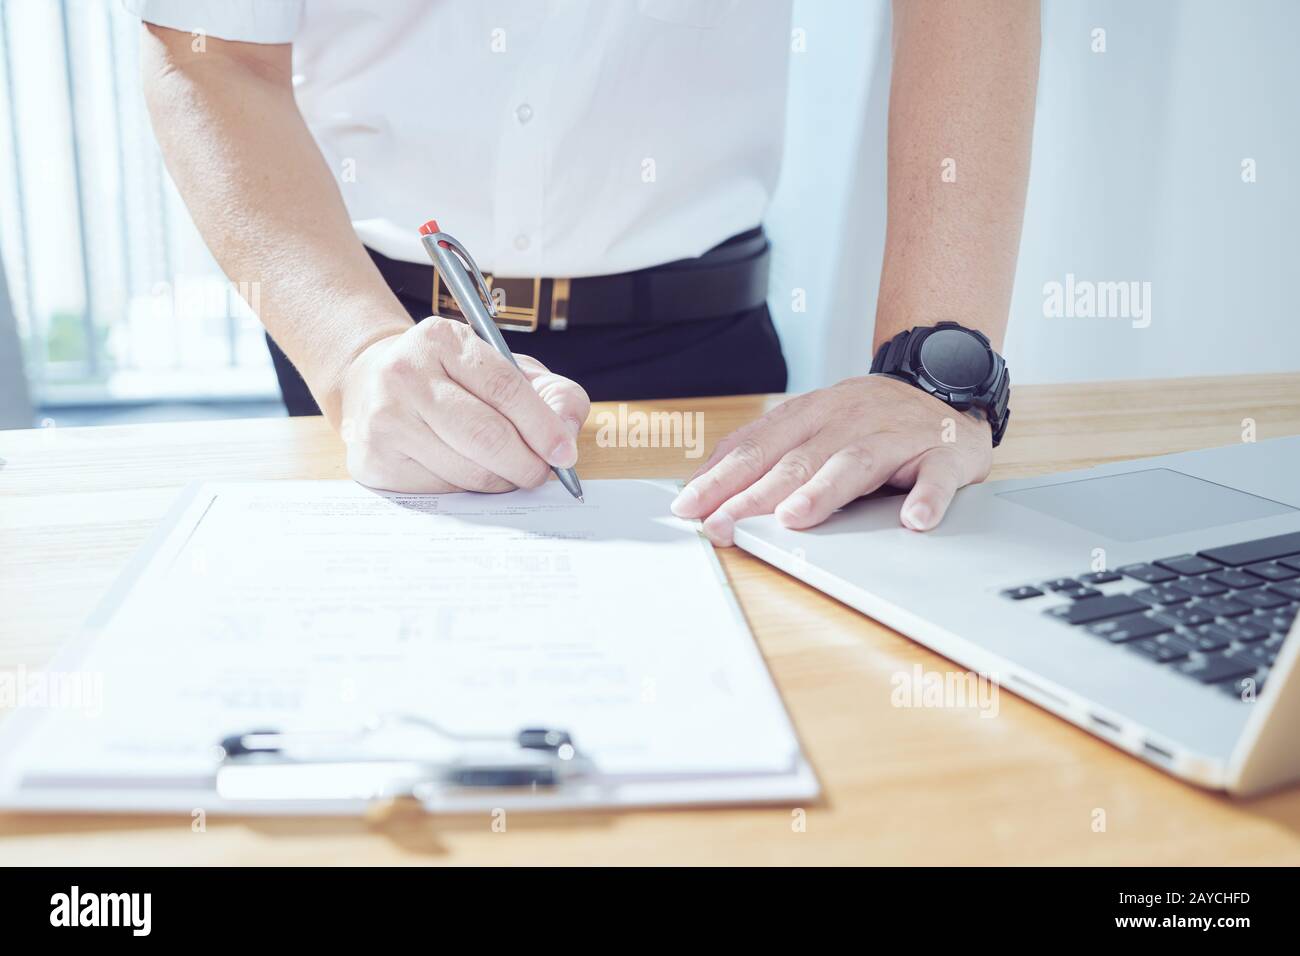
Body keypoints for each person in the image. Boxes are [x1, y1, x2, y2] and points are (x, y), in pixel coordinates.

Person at [130, 0, 1039, 544]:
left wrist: (934, 375)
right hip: (376, 343)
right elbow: (210, 50)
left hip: (704, 348)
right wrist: (354, 352)